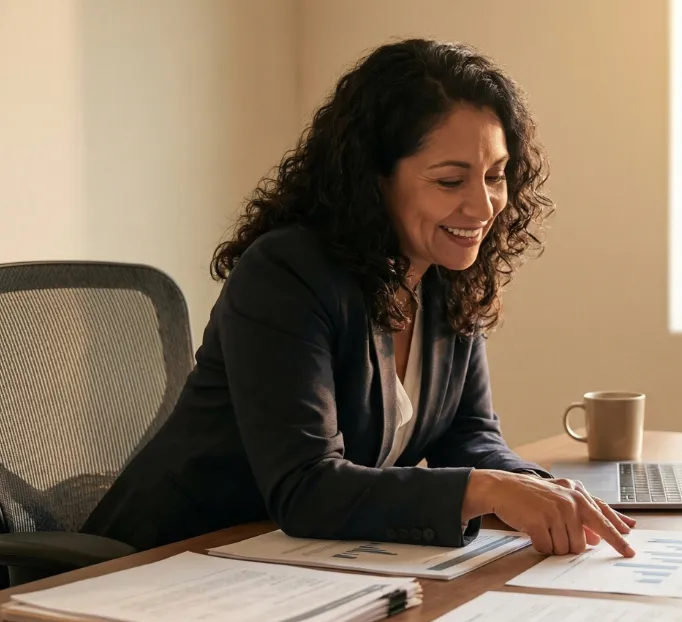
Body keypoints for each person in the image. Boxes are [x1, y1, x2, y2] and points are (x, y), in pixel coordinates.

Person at [83, 39, 635, 559]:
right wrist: (483, 490)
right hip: (164, 560)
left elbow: (468, 436)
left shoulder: (445, 275)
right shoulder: (286, 273)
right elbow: (307, 486)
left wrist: (538, 490)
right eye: (450, 181)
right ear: (374, 178)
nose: (484, 206)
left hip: (289, 564)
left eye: (496, 176)